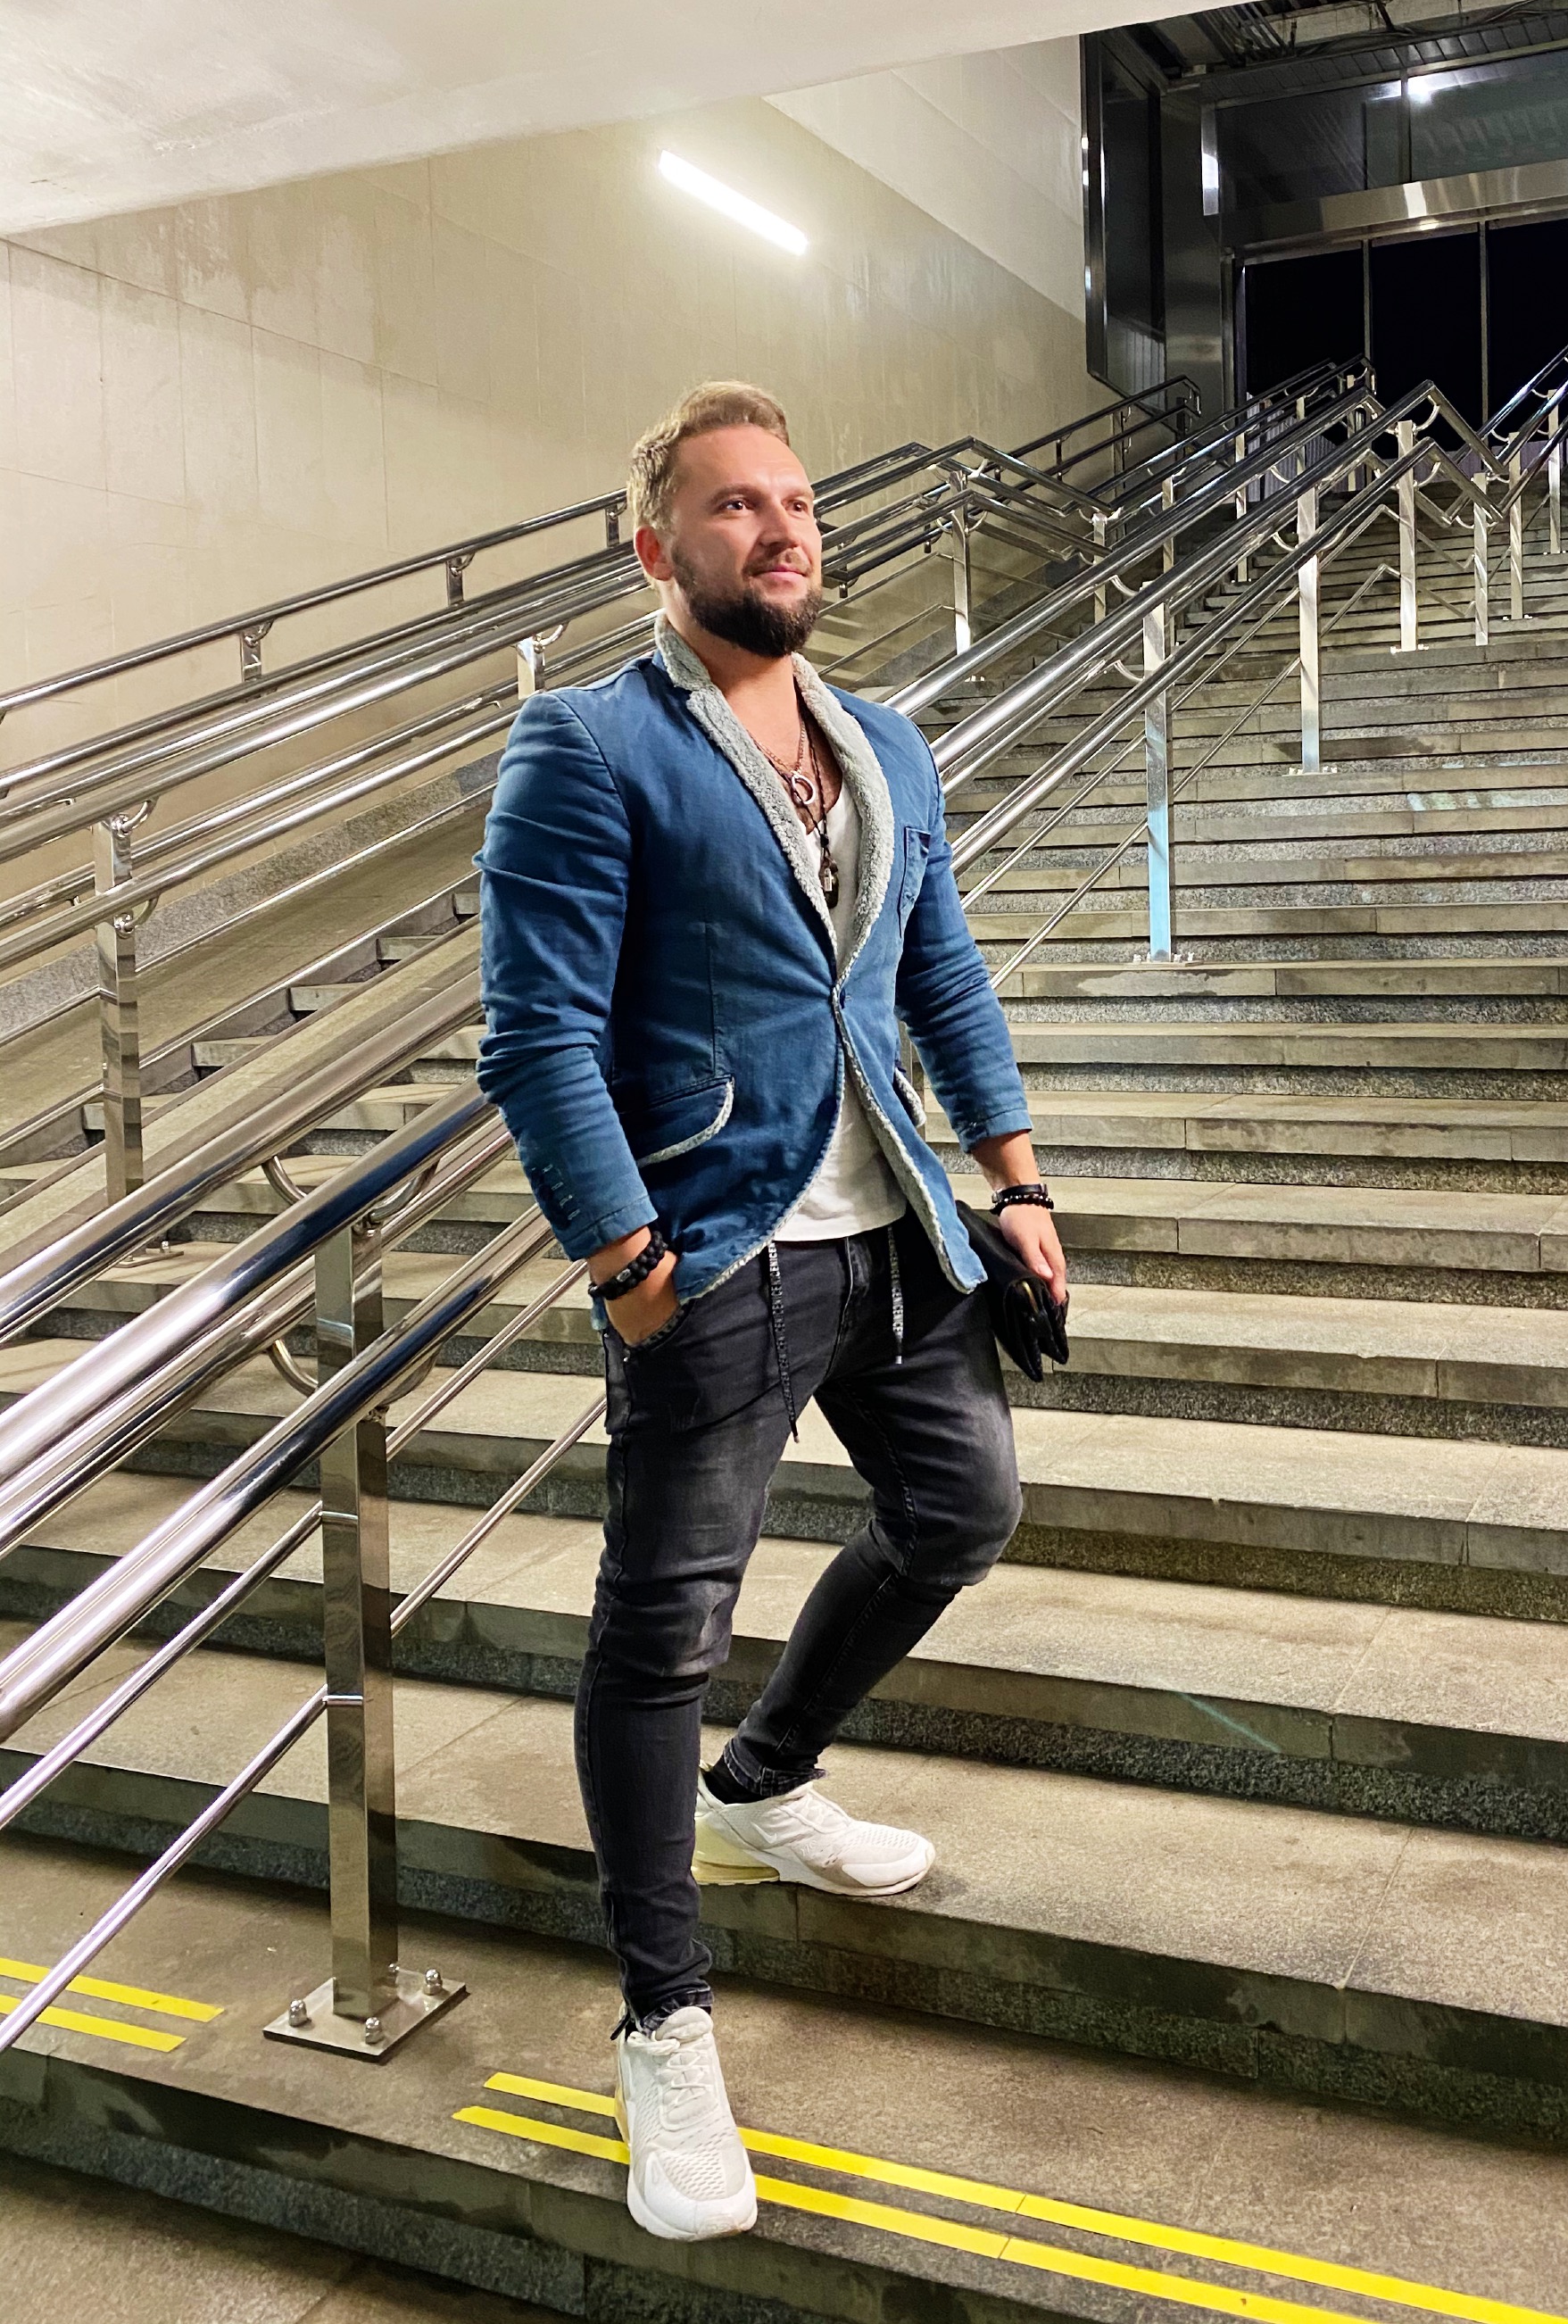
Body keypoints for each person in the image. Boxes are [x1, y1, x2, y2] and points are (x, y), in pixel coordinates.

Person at [477, 381, 1066, 2243]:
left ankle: (772, 1774)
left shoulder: (883, 740)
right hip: (716, 1248)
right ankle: (662, 2018)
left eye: (796, 499)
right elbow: (536, 1030)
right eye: (734, 504)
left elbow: (940, 969)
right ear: (656, 546)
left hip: (895, 1227)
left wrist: (1017, 1176)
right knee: (660, 1634)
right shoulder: (588, 743)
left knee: (962, 1508)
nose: (781, 526)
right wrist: (625, 1262)